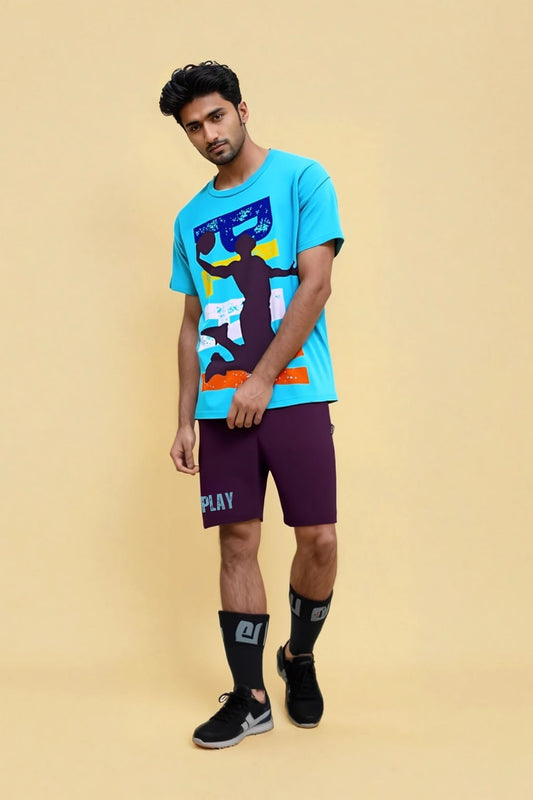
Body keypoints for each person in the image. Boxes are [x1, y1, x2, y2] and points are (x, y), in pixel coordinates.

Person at [159, 61, 344, 749]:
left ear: (241, 109)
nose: (208, 134)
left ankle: (298, 655)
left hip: (293, 393)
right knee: (237, 542)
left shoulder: (302, 179)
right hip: (219, 406)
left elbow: (315, 285)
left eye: (215, 116)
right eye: (193, 127)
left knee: (318, 539)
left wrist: (262, 379)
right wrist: (184, 418)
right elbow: (191, 322)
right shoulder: (190, 218)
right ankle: (250, 698)